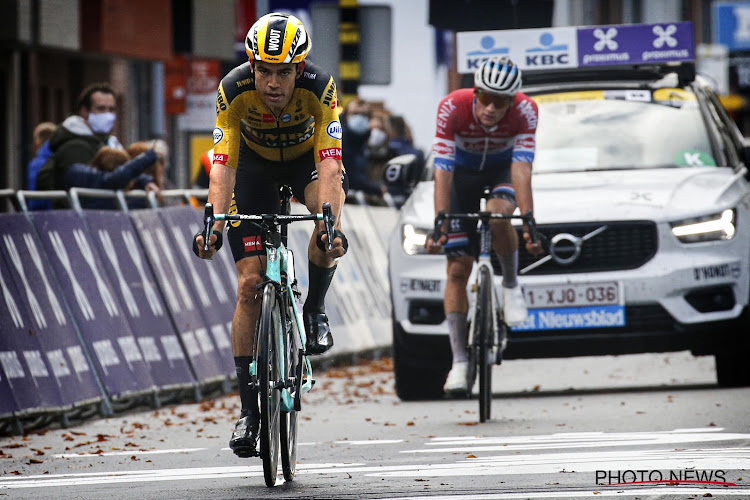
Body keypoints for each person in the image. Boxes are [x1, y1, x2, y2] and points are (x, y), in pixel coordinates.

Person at [192, 12, 348, 458]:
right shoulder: (233, 90)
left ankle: (315, 308)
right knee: (249, 284)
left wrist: (329, 223)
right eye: (264, 70)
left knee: (325, 228)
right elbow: (222, 164)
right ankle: (249, 411)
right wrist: (214, 224)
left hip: (307, 163)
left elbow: (331, 166)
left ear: (299, 69)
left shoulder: (321, 88)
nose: (273, 83)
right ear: (252, 66)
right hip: (255, 171)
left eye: (283, 72)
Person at [426, 56, 544, 395]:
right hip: (460, 178)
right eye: (485, 98)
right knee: (457, 271)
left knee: (497, 215)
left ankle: (510, 285)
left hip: (501, 172)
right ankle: (460, 362)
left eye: (500, 102)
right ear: (475, 92)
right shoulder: (452, 106)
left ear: (513, 101)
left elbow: (522, 169)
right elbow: (443, 171)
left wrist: (529, 218)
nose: (490, 108)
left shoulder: (527, 111)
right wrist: (441, 220)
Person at [36, 82, 123, 194]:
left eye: (111, 109)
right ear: (84, 111)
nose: (107, 115)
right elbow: (86, 187)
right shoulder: (75, 147)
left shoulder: (110, 143)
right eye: (101, 109)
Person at [63, 146, 159, 209]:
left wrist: (146, 181)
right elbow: (115, 179)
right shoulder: (105, 182)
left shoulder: (78, 172)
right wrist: (148, 156)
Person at [341, 98, 385, 198]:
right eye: (355, 113)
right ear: (346, 115)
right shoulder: (340, 138)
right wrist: (377, 190)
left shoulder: (363, 140)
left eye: (364, 115)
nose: (359, 118)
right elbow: (350, 178)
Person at [27, 122, 57, 210]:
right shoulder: (62, 157)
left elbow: (35, 197)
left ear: (37, 142)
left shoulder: (35, 164)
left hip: (42, 215)